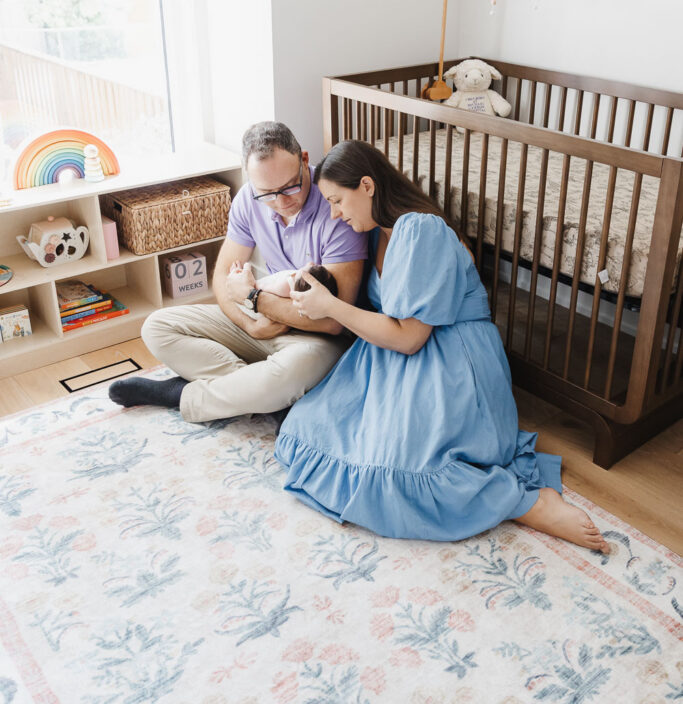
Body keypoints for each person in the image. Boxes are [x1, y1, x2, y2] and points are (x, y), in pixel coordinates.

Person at [274, 140, 609, 553]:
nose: (335, 213)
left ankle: (526, 502)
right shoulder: (376, 232)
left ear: (367, 186)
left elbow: (411, 338)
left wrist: (332, 306)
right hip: (389, 357)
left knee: (403, 478)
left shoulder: (421, 229)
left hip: (447, 358)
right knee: (305, 433)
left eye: (338, 201)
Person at [108, 123, 367, 423]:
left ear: (305, 160)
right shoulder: (247, 199)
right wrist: (250, 323)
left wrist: (254, 299)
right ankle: (259, 393)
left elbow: (335, 322)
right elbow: (221, 279)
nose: (281, 202)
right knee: (157, 327)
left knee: (290, 372)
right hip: (260, 323)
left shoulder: (335, 208)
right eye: (267, 193)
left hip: (314, 336)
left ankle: (180, 394)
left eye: (290, 187)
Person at [235, 262, 338, 319]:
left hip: (256, 293)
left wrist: (246, 272)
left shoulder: (284, 286)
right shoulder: (302, 289)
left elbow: (260, 287)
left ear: (302, 279)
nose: (311, 263)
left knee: (246, 266)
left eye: (312, 267)